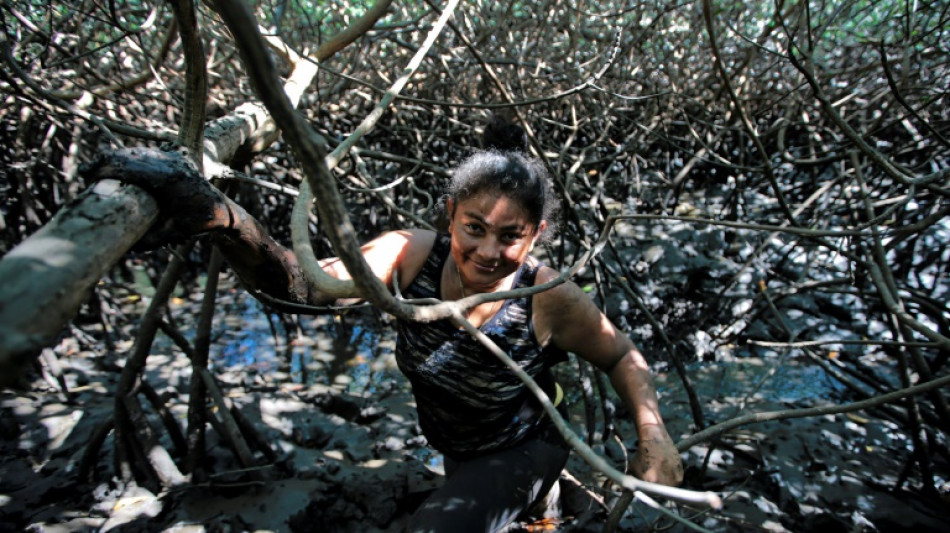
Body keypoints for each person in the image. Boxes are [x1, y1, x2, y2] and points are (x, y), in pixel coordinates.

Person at [92, 120, 684, 531]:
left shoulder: (549, 297)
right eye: (474, 227)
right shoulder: (409, 254)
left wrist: (654, 436)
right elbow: (306, 286)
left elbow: (621, 356)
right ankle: (542, 508)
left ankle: (539, 488)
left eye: (511, 236)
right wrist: (225, 221)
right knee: (499, 503)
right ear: (448, 215)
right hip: (458, 442)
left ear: (536, 236)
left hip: (525, 443)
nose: (487, 251)